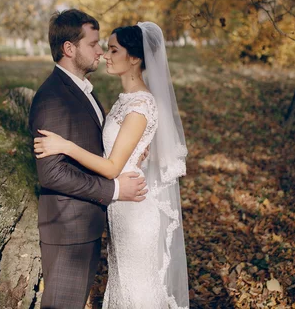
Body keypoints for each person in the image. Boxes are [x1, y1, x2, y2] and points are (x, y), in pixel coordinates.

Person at [34, 21, 189, 308]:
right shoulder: (123, 100)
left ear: (134, 58)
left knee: (138, 290)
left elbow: (112, 167)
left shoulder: (140, 104)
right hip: (118, 209)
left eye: (113, 49)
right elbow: (117, 146)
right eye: (100, 46)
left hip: (134, 210)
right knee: (123, 286)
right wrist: (142, 152)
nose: (105, 54)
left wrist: (65, 146)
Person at [28, 9, 149, 309]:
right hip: (68, 229)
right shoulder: (52, 97)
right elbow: (52, 174)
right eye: (93, 44)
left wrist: (135, 152)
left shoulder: (84, 91)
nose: (100, 51)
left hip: (88, 224)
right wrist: (115, 190)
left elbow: (97, 148)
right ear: (69, 49)